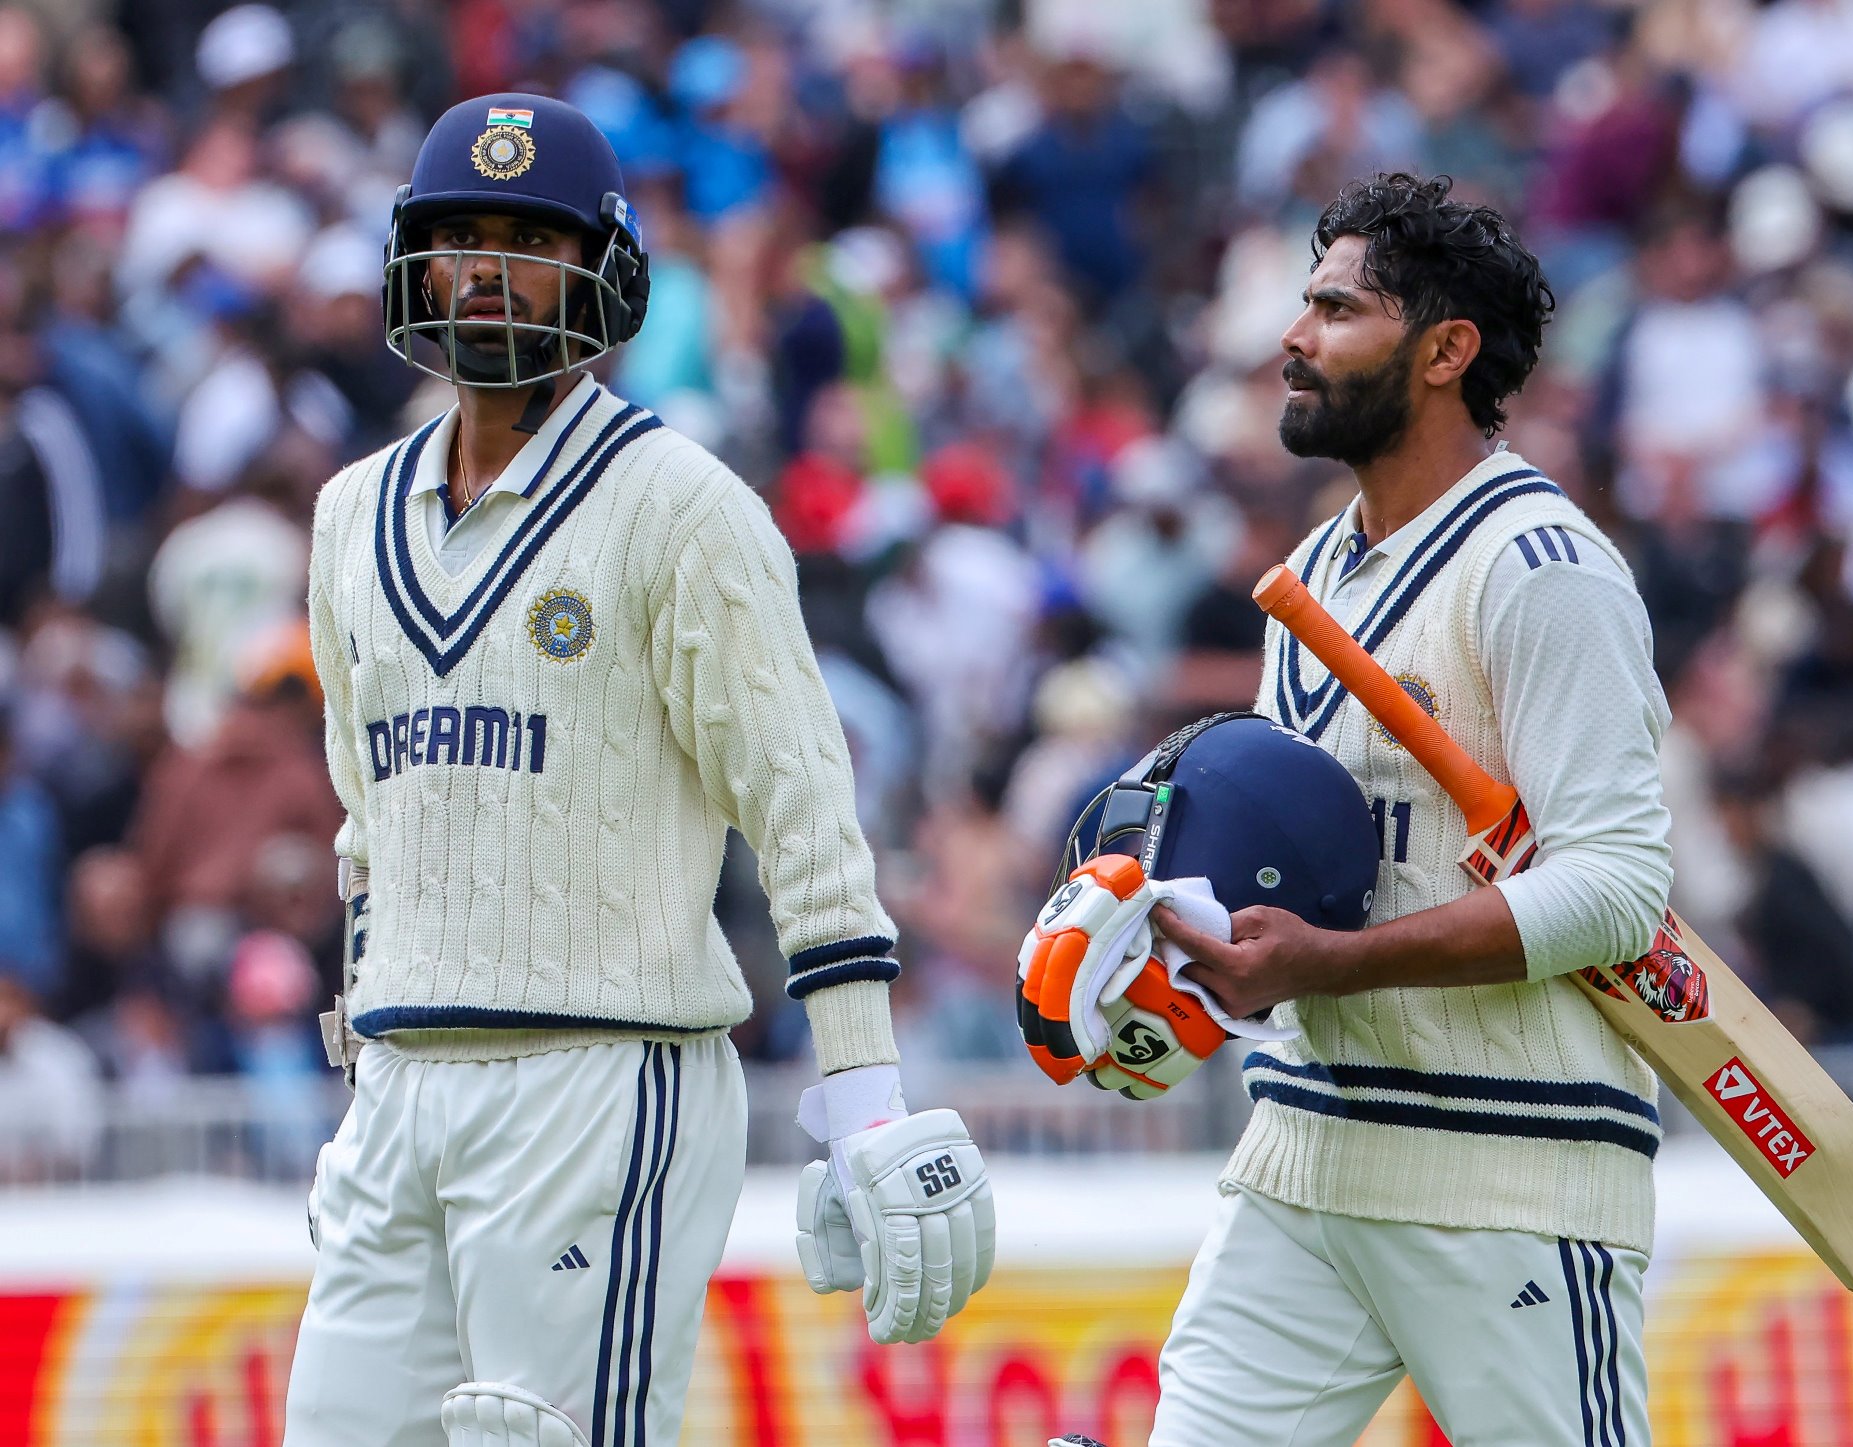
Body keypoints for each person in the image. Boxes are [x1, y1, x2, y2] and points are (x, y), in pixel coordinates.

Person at [284, 94, 994, 1447]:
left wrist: (864, 1093)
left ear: (600, 271)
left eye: (529, 241)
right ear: (415, 263)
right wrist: (366, 1075)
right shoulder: (346, 515)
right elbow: (368, 825)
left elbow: (802, 809)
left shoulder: (684, 506)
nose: (487, 270)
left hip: (604, 1077)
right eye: (462, 237)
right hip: (403, 1084)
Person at [1044, 174, 1673, 1446]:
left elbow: (1615, 890)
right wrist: (1170, 959)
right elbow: (1313, 877)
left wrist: (1326, 962)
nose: (1293, 336)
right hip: (1306, 1149)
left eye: (1336, 310)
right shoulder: (1312, 574)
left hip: (1507, 1167)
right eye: (1305, 303)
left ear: (1445, 352)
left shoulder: (1541, 570)